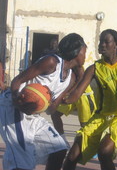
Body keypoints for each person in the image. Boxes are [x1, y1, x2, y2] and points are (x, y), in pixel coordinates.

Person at [62, 29, 117, 170]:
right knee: (72, 154)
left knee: (104, 152)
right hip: (100, 117)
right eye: (100, 41)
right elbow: (77, 93)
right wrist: (58, 99)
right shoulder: (94, 68)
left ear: (115, 44)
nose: (102, 45)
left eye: (106, 41)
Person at [0, 33, 87, 170]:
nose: (85, 56)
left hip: (33, 114)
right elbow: (17, 80)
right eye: (84, 52)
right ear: (76, 52)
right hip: (13, 107)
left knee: (58, 149)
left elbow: (51, 109)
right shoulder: (51, 62)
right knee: (23, 162)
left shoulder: (70, 79)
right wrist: (18, 101)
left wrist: (47, 101)